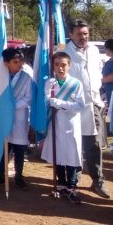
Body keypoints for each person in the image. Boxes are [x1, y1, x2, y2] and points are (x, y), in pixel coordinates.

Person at [65, 19, 110, 198]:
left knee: (95, 145)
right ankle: (72, 181)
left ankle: (97, 180)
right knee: (74, 144)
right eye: (79, 34)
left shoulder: (93, 50)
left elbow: (98, 72)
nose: (83, 37)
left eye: (86, 34)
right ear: (71, 35)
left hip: (93, 104)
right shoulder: (64, 52)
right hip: (73, 106)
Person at [41, 51, 85, 204]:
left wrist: (59, 103)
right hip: (55, 121)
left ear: (69, 66)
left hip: (71, 122)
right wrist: (51, 101)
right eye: (57, 65)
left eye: (63, 65)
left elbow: (80, 105)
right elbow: (46, 100)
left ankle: (72, 186)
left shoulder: (76, 84)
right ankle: (61, 183)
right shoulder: (50, 83)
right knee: (58, 152)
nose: (60, 68)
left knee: (71, 152)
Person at [0, 48, 33, 188]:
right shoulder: (0, 78)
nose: (19, 64)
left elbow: (28, 98)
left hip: (19, 118)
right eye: (15, 62)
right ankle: (1, 174)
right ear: (6, 62)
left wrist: (12, 106)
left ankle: (19, 176)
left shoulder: (26, 77)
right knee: (5, 147)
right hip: (3, 117)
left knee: (19, 149)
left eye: (21, 61)